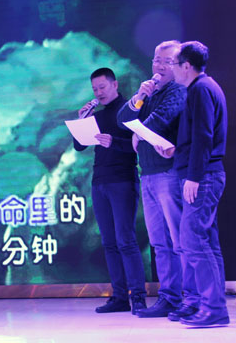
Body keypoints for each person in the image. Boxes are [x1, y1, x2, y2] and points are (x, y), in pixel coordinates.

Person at [117, 41, 200, 320]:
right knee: (159, 242)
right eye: (156, 60)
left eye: (167, 61)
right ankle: (169, 297)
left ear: (179, 65)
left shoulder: (178, 90)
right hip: (149, 175)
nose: (159, 66)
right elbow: (122, 119)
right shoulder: (149, 92)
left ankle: (191, 298)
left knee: (179, 240)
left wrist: (138, 133)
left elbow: (162, 119)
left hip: (170, 173)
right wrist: (139, 96)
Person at [155, 41, 229, 327]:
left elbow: (204, 137)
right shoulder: (205, 87)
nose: (171, 69)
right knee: (206, 241)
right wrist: (176, 151)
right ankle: (213, 305)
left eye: (174, 64)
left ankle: (213, 308)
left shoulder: (200, 89)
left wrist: (194, 176)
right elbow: (198, 137)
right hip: (205, 172)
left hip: (203, 176)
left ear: (186, 66)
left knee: (192, 239)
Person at [74, 68, 147, 314]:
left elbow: (139, 144)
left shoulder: (129, 109)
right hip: (100, 181)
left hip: (122, 180)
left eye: (102, 87)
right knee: (108, 242)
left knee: (125, 239)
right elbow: (79, 145)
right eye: (94, 89)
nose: (98, 93)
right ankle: (119, 296)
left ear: (115, 84)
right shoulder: (98, 115)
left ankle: (138, 296)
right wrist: (82, 120)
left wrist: (114, 142)